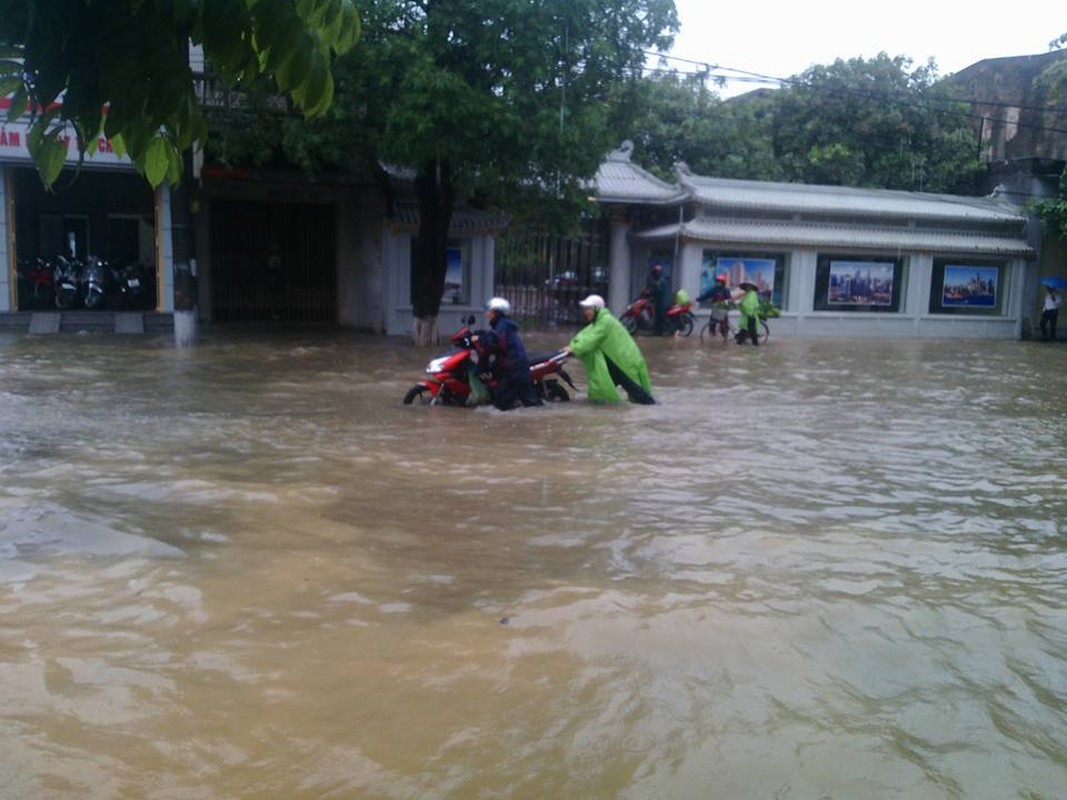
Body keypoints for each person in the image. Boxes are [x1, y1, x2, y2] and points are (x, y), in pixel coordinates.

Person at [563, 294, 655, 404]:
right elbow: (586, 335)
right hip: (617, 362)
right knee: (603, 389)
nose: (585, 312)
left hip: (625, 363)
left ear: (596, 309)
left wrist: (573, 349)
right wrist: (572, 347)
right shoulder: (600, 321)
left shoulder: (605, 321)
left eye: (588, 309)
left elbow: (591, 339)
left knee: (640, 396)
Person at [476, 297, 543, 410]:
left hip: (514, 369)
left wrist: (480, 338)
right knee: (531, 402)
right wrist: (481, 334)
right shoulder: (503, 324)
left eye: (489, 311)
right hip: (516, 367)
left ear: (496, 312)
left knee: (500, 406)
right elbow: (494, 336)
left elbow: (495, 340)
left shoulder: (503, 325)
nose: (487, 314)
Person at [697, 273, 732, 340]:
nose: (718, 283)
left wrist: (726, 307)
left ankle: (725, 336)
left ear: (723, 283)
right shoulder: (714, 289)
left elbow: (728, 300)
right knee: (712, 323)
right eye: (718, 281)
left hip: (723, 310)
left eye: (720, 282)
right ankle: (712, 335)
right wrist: (699, 299)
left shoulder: (726, 290)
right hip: (715, 310)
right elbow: (706, 295)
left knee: (724, 324)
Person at [735, 282, 761, 346]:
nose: (747, 287)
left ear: (751, 287)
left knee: (752, 332)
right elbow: (742, 302)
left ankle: (755, 345)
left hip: (751, 316)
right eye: (746, 286)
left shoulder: (752, 294)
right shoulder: (746, 294)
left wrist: (741, 303)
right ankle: (739, 344)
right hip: (746, 317)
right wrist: (739, 303)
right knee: (744, 331)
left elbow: (750, 305)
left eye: (748, 286)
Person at [647, 264, 668, 336]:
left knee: (659, 318)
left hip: (662, 303)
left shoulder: (660, 281)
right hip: (659, 302)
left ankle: (659, 333)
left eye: (655, 272)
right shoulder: (659, 280)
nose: (654, 274)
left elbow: (657, 291)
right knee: (657, 317)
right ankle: (657, 332)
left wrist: (651, 293)